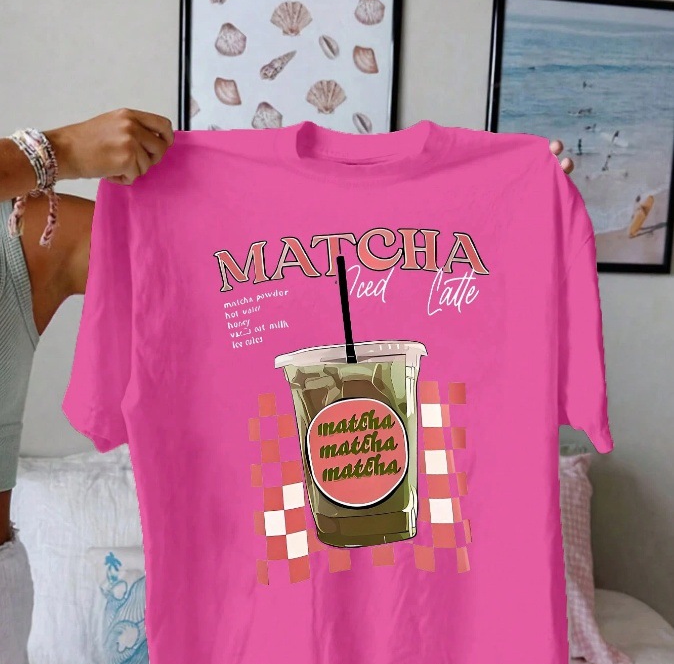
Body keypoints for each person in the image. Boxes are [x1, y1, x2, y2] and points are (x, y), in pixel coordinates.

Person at [0, 113, 573, 550]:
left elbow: (272, 285)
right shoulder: (38, 232)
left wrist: (511, 214)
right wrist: (55, 150)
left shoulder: (30, 237)